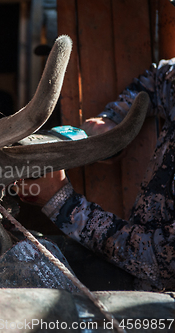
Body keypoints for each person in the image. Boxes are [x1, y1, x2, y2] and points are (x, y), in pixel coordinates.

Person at [18, 58, 175, 291]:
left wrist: (63, 203)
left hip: (155, 304)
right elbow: (159, 77)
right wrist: (113, 121)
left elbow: (161, 262)